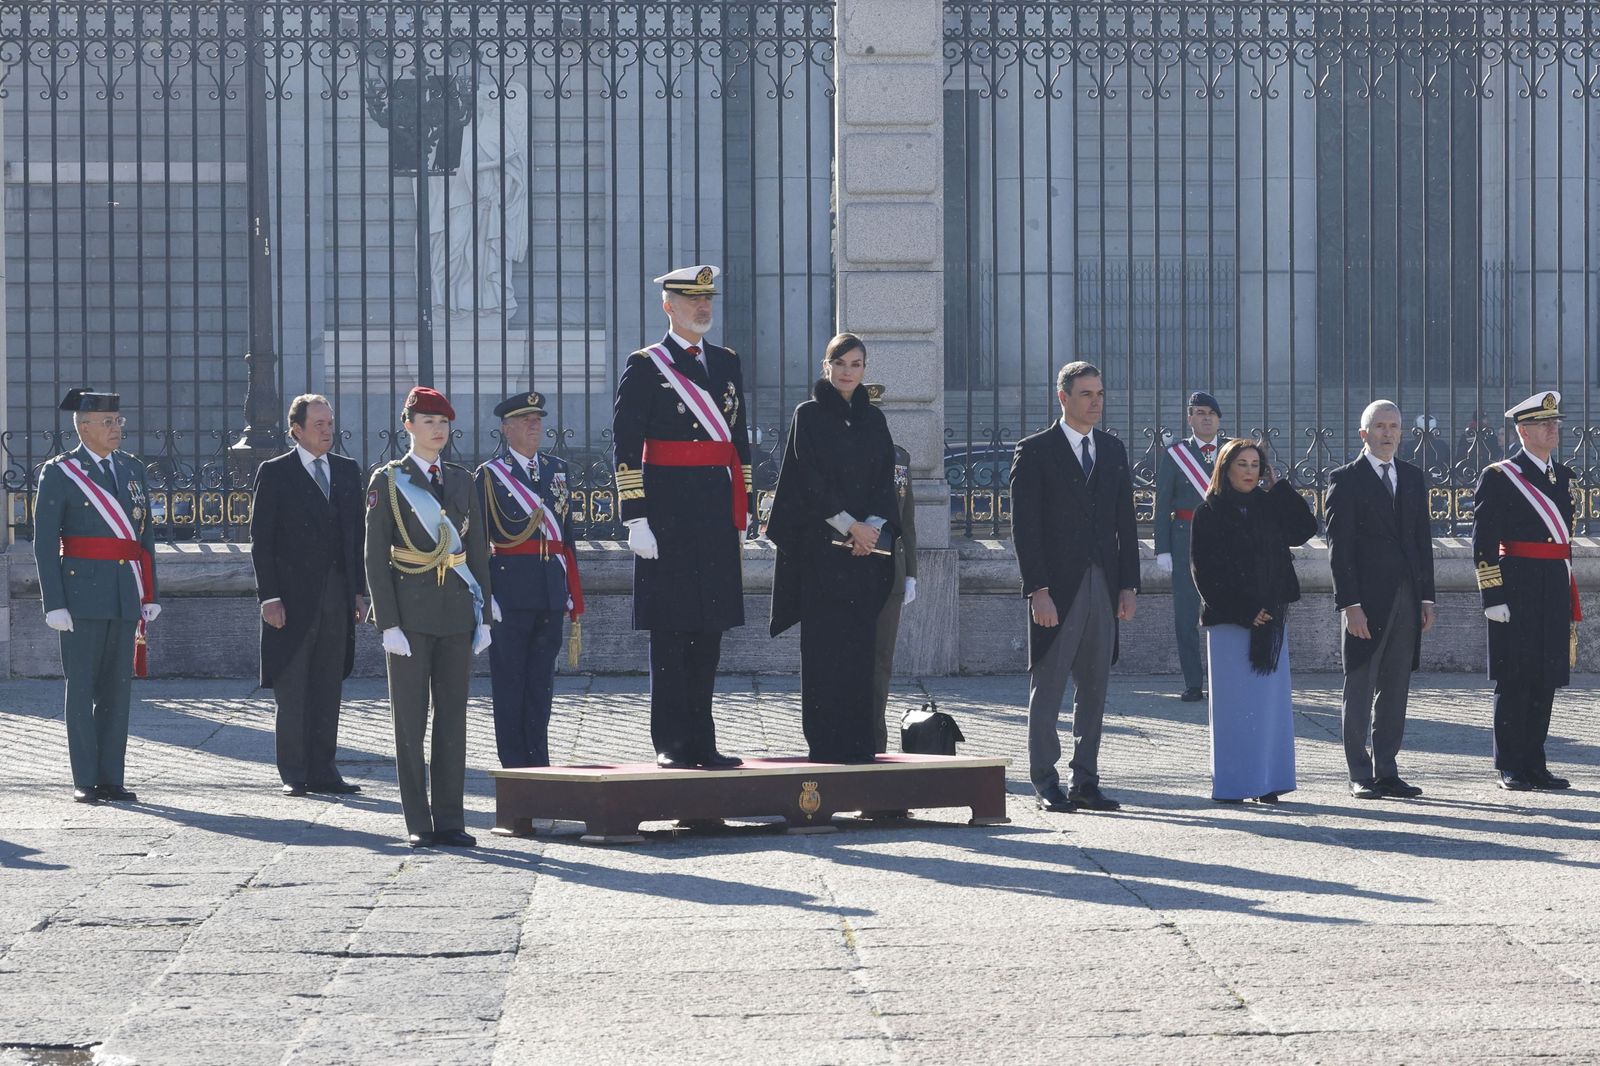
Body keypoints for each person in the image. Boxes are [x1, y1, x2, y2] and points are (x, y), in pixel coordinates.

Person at [612, 264, 755, 770]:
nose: (704, 308)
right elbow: (626, 444)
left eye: (708, 299)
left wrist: (745, 509)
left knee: (709, 631)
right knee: (672, 632)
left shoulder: (726, 363)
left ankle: (703, 741)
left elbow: (738, 443)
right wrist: (635, 518)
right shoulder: (647, 365)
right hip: (667, 515)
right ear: (668, 306)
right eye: (692, 300)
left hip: (715, 514)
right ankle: (671, 742)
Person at [365, 386, 493, 848]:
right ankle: (419, 821)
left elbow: (476, 547)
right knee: (410, 722)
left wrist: (485, 614)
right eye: (428, 422)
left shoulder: (461, 479)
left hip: (457, 613)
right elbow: (375, 556)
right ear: (408, 426)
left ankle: (451, 819)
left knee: (453, 719)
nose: (438, 431)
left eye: (443, 423)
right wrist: (388, 623)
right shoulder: (388, 480)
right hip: (411, 616)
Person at [1010, 361, 1140, 813]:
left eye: (1100, 393)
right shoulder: (1035, 451)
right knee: (1048, 687)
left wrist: (1129, 586)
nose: (1096, 402)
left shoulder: (1113, 449)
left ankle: (1086, 779)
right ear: (1063, 397)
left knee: (1095, 686)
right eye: (1086, 394)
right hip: (1056, 588)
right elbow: (1025, 530)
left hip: (1103, 583)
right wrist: (1037, 590)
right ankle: (1045, 780)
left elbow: (1125, 521)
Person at [767, 335, 899, 763]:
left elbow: (884, 479)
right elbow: (809, 480)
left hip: (864, 555)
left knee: (860, 653)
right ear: (826, 366)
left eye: (856, 364)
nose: (847, 372)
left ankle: (859, 746)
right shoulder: (808, 415)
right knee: (824, 653)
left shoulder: (873, 420)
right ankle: (824, 746)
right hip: (823, 552)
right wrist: (850, 526)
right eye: (839, 363)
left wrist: (873, 529)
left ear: (865, 369)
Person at [33, 388, 161, 804]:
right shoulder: (61, 472)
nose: (116, 428)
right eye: (107, 422)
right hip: (80, 595)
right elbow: (44, 542)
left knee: (117, 689)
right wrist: (53, 602)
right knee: (83, 686)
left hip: (125, 593)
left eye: (118, 420)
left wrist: (149, 590)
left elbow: (145, 537)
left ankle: (112, 776)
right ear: (83, 426)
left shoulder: (131, 468)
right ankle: (86, 778)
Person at [250, 394, 367, 798]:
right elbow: (261, 541)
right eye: (318, 423)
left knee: (327, 684)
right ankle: (294, 771)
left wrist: (359, 591)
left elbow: (357, 537)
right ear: (296, 430)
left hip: (336, 595)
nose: (326, 430)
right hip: (292, 598)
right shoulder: (276, 472)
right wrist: (270, 598)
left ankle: (324, 768)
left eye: (330, 422)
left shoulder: (348, 471)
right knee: (294, 684)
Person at [1190, 439, 1318, 804]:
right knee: (1233, 709)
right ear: (1226, 468)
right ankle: (1233, 784)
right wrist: (1245, 610)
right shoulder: (1209, 511)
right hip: (1231, 621)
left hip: (1271, 618)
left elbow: (1303, 529)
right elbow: (1204, 571)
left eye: (1255, 465)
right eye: (1242, 464)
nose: (1249, 471)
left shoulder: (1269, 505)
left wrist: (1279, 488)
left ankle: (1267, 782)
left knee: (1269, 707)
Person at [1325, 400, 1436, 800]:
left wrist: (1427, 598)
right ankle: (1360, 772)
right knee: (1359, 686)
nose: (1388, 433)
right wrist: (1349, 604)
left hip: (1407, 598)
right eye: (1380, 426)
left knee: (1395, 688)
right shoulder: (1346, 479)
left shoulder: (1411, 476)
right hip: (1365, 602)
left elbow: (1421, 541)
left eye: (1394, 426)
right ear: (1363, 434)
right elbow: (1340, 550)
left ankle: (1387, 769)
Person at [1472, 390, 1580, 792]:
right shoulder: (1500, 476)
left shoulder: (1563, 476)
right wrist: (1492, 596)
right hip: (1516, 586)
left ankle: (1535, 761)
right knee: (1515, 677)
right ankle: (1510, 765)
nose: (1553, 429)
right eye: (1544, 424)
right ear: (1523, 431)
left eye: (1555, 423)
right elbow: (1484, 542)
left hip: (1552, 583)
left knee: (1545, 676)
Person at [476, 390, 584, 768]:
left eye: (537, 418)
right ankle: (515, 767)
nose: (534, 424)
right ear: (506, 429)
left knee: (541, 685)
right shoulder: (491, 475)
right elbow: (479, 541)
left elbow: (565, 534)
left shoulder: (558, 469)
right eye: (524, 419)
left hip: (550, 590)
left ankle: (539, 761)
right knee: (510, 685)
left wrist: (570, 587)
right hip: (509, 591)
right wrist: (486, 594)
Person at [1153, 391, 1227, 702]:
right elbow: (1162, 505)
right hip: (1185, 538)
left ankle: (1224, 680)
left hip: (1225, 541)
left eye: (1210, 412)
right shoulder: (1176, 455)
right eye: (1199, 412)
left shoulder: (1232, 452)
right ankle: (1193, 683)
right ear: (1189, 419)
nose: (1206, 417)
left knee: (1226, 613)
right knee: (1185, 615)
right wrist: (1163, 549)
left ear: (1219, 418)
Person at [865, 382, 918, 754]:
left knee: (881, 663)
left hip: (891, 571)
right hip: (849, 567)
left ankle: (875, 741)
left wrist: (911, 571)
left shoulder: (899, 457)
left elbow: (907, 520)